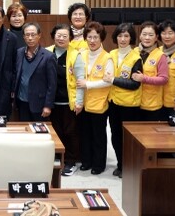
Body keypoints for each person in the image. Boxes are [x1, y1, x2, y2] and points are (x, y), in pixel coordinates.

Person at [46, 23, 85, 177]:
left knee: (70, 132)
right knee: (55, 132)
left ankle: (70, 161)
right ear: (53, 36)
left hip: (69, 102)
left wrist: (79, 102)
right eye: (58, 35)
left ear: (70, 38)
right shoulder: (47, 52)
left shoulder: (75, 55)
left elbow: (80, 80)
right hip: (51, 102)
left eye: (65, 36)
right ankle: (57, 158)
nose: (61, 38)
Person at [103, 22, 142, 178]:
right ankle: (120, 164)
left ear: (131, 38)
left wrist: (113, 80)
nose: (123, 39)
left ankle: (129, 166)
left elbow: (134, 84)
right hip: (113, 103)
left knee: (128, 139)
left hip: (130, 105)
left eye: (126, 36)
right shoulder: (111, 54)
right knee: (116, 135)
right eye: (120, 35)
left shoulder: (136, 58)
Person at [76, 21, 113, 175]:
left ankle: (98, 164)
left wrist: (88, 84)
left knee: (98, 136)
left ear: (101, 38)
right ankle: (87, 161)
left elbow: (108, 81)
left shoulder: (107, 57)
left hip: (99, 104)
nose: (92, 40)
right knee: (85, 134)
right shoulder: (82, 54)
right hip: (83, 102)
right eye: (89, 37)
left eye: (95, 37)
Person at [14, 22, 57, 122]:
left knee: (39, 131)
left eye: (33, 35)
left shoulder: (48, 56)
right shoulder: (19, 53)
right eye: (27, 35)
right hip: (22, 101)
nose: (30, 38)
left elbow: (52, 84)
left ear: (39, 35)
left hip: (39, 104)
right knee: (24, 130)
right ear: (23, 37)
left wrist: (48, 105)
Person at [132, 21, 169, 121]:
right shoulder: (134, 52)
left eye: (151, 35)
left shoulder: (160, 56)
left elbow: (164, 79)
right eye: (144, 34)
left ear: (156, 37)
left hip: (151, 105)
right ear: (140, 36)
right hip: (133, 102)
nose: (147, 38)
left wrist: (144, 78)